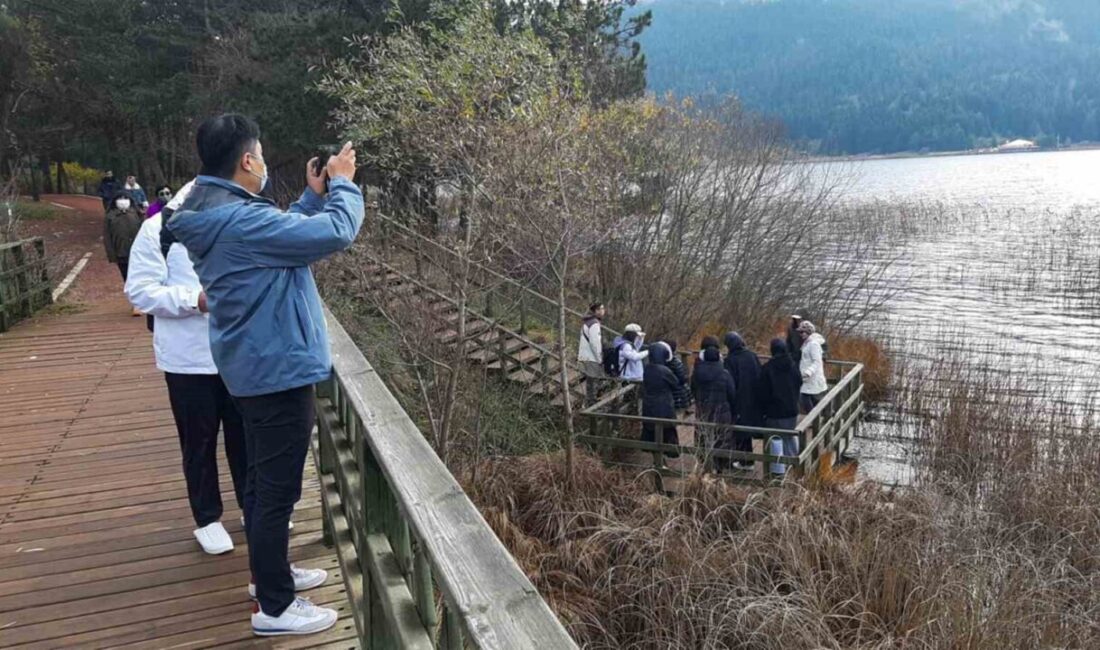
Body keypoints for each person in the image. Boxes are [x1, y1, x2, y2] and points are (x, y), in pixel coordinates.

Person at [166, 114, 364, 637]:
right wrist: (343, 185)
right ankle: (274, 607)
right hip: (276, 368)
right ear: (248, 160)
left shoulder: (217, 211)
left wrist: (312, 195)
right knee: (275, 492)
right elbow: (336, 234)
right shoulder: (238, 219)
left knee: (261, 486)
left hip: (253, 365)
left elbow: (280, 238)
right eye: (260, 154)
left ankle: (268, 575)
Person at [125, 179, 248, 555]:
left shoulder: (239, 218)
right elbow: (140, 290)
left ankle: (252, 506)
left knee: (247, 437)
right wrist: (194, 300)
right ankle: (207, 518)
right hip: (187, 360)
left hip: (240, 354)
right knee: (199, 441)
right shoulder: (158, 229)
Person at [758, 338, 802, 476]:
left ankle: (778, 470)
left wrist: (763, 409)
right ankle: (795, 463)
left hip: (775, 412)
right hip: (792, 411)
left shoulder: (767, 369)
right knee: (789, 435)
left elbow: (763, 392)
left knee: (776, 438)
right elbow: (799, 382)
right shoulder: (793, 366)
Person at [690, 345, 737, 471]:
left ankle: (704, 464)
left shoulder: (697, 374)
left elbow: (693, 389)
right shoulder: (724, 374)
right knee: (721, 439)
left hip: (703, 410)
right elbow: (732, 393)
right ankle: (720, 466)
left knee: (704, 438)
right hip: (722, 412)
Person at [724, 331, 763, 469]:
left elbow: (730, 382)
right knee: (746, 430)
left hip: (739, 399)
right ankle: (747, 460)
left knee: (739, 431)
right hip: (753, 398)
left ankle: (745, 461)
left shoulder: (730, 360)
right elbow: (760, 374)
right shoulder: (751, 356)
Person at [103, 192, 144, 316]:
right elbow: (107, 238)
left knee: (141, 277)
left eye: (125, 198)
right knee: (128, 278)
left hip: (139, 253)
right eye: (120, 198)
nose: (123, 200)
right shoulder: (110, 216)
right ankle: (135, 304)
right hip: (122, 253)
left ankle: (144, 302)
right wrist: (112, 254)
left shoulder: (137, 214)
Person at [641, 341, 680, 455]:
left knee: (652, 428)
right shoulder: (665, 370)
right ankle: (669, 453)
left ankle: (656, 457)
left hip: (649, 402)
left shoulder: (647, 369)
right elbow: (676, 383)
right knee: (667, 428)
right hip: (664, 403)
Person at [797, 320, 828, 413]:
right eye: (800, 332)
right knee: (811, 398)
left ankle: (813, 418)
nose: (801, 334)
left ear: (808, 332)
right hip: (807, 377)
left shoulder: (813, 344)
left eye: (802, 332)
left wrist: (808, 371)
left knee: (804, 397)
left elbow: (817, 361)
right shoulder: (807, 343)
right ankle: (817, 417)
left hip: (811, 376)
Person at [578, 302, 606, 404]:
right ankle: (592, 405)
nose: (603, 311)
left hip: (585, 356)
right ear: (596, 311)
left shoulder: (587, 322)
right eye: (601, 309)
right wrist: (599, 358)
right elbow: (595, 343)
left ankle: (590, 403)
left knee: (591, 383)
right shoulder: (594, 324)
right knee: (593, 383)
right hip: (591, 358)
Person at [659, 339, 692, 412]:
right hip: (678, 395)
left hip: (676, 395)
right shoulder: (676, 362)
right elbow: (683, 378)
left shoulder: (666, 363)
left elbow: (681, 379)